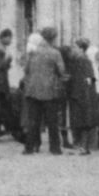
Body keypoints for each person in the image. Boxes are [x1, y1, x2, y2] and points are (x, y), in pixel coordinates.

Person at [20, 26, 67, 155]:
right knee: (52, 121)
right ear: (53, 38)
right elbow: (62, 71)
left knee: (33, 121)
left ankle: (29, 147)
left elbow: (26, 70)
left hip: (32, 90)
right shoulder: (55, 53)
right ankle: (55, 148)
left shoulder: (33, 52)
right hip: (49, 91)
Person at [66, 38, 99, 154]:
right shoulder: (78, 60)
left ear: (81, 49)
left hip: (82, 94)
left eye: (75, 47)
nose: (73, 50)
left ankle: (84, 146)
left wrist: (87, 92)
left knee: (84, 121)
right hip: (79, 93)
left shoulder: (84, 61)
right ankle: (82, 145)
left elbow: (90, 78)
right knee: (80, 121)